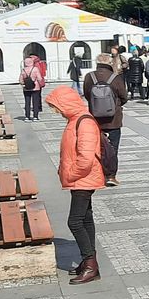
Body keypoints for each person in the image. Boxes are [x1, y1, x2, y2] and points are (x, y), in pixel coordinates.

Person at [45, 86, 106, 285]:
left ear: (66, 104)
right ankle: (88, 262)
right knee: (86, 218)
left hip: (83, 178)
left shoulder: (84, 122)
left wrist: (70, 174)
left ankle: (90, 265)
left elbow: (85, 159)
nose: (56, 111)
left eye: (57, 107)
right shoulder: (75, 119)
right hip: (81, 178)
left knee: (75, 222)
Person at [83, 53, 127, 187]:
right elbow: (124, 96)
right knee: (113, 148)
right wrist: (115, 105)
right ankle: (111, 176)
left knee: (97, 148)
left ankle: (98, 174)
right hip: (113, 119)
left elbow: (87, 95)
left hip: (95, 119)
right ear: (110, 63)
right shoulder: (115, 77)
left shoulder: (89, 77)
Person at [19, 55, 45, 122]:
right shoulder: (35, 69)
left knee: (27, 103)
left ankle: (27, 117)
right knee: (35, 102)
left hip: (26, 88)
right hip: (35, 88)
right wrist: (41, 84)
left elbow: (20, 80)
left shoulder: (23, 70)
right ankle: (35, 117)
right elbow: (39, 78)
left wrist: (24, 83)